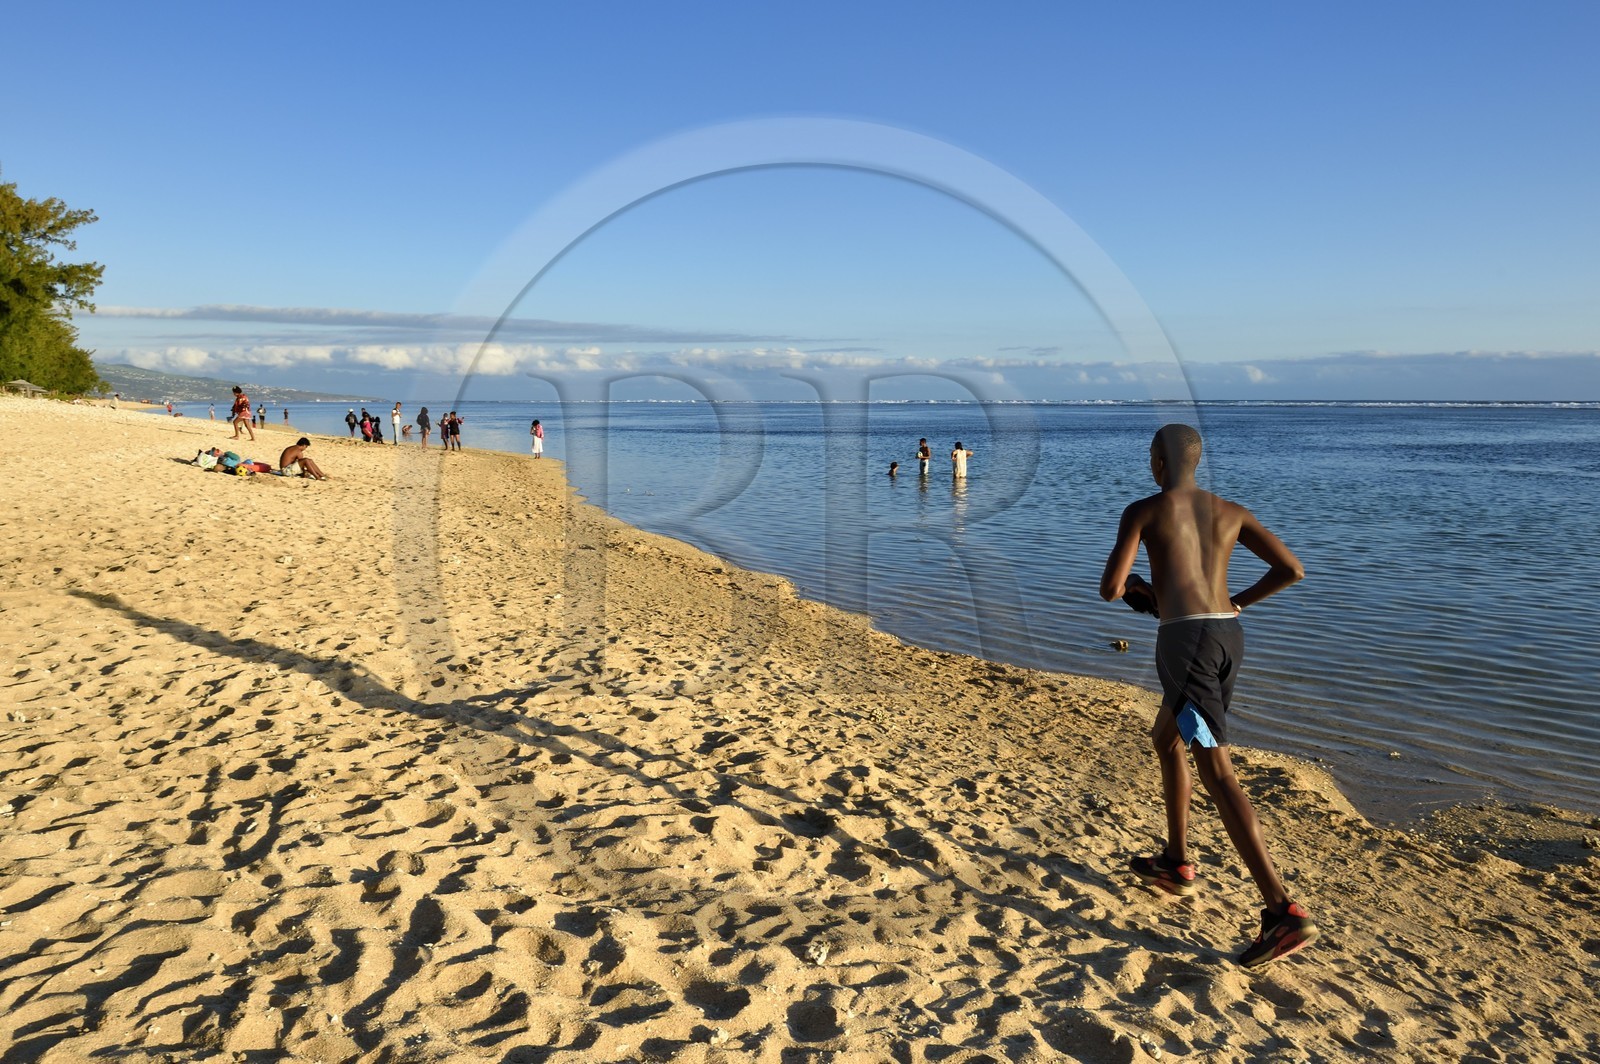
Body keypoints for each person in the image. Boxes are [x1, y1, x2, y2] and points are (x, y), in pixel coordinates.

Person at [1098, 423, 1313, 968]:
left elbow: (1111, 587)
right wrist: (1236, 601)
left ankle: (1281, 910)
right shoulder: (1231, 511)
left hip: (1185, 645)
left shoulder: (1142, 510)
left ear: (1158, 463)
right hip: (1226, 638)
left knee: (1217, 768)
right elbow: (1290, 570)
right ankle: (1176, 861)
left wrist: (1145, 592)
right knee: (1167, 738)